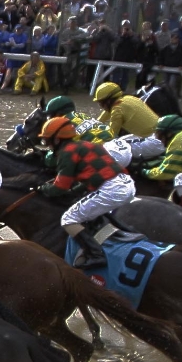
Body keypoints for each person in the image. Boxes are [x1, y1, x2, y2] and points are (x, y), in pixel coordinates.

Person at [39, 114, 138, 270]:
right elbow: (91, 178)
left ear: (57, 140)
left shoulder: (67, 152)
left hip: (112, 189)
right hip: (127, 183)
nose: (48, 145)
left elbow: (60, 187)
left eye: (47, 141)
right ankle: (125, 231)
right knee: (87, 206)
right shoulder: (86, 144)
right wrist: (75, 191)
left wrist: (42, 188)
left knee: (68, 218)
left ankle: (96, 255)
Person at [92, 81, 164, 168]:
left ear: (108, 101)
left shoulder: (117, 110)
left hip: (154, 142)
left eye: (101, 103)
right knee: (122, 140)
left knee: (113, 147)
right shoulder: (128, 99)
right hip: (159, 136)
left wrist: (93, 144)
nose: (100, 106)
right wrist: (95, 123)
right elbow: (106, 113)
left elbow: (110, 135)